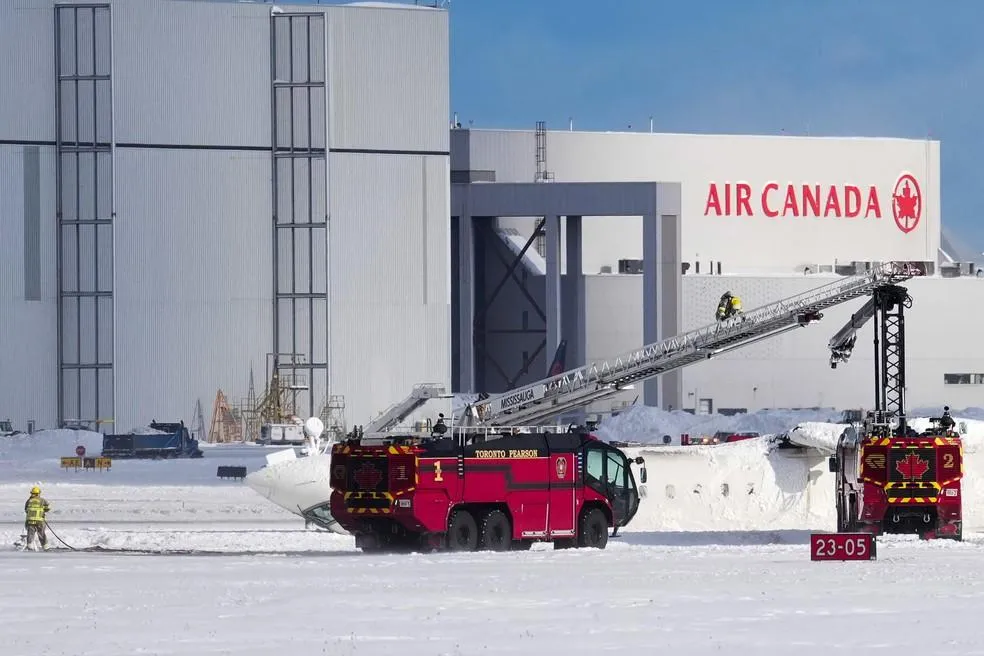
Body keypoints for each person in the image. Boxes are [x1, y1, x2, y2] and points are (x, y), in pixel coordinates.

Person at [24, 486, 51, 551]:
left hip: (30, 521)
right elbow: (48, 507)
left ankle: (30, 547)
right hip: (39, 521)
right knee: (41, 534)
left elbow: (26, 510)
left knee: (30, 534)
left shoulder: (29, 501)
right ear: (38, 493)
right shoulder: (42, 500)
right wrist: (44, 510)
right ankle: (46, 548)